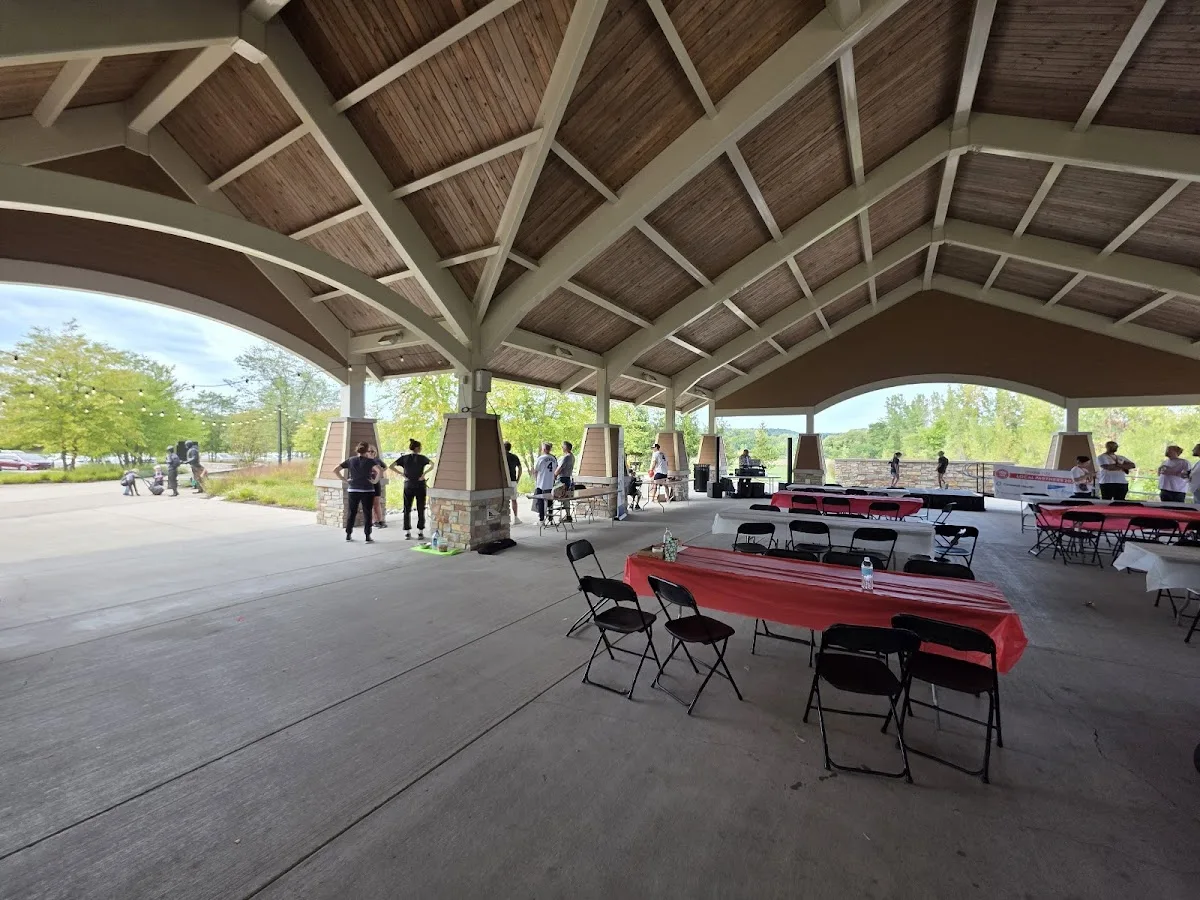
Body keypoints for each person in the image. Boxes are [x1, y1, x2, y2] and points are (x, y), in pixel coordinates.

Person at [335, 441, 380, 543]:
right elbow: (379, 471)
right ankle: (367, 536)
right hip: (368, 490)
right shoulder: (370, 461)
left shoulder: (350, 460)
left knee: (352, 512)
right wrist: (375, 481)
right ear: (367, 451)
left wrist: (345, 480)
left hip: (353, 489)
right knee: (367, 513)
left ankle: (348, 534)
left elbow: (336, 470)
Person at [390, 439, 432, 540]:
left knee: (407, 508)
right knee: (420, 508)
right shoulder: (422, 458)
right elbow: (433, 464)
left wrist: (402, 474)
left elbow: (391, 466)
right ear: (417, 448)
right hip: (420, 485)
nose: (421, 449)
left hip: (408, 484)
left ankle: (407, 531)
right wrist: (424, 474)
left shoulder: (404, 458)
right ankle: (420, 531)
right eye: (420, 447)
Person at [532, 441, 557, 524]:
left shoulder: (540, 458)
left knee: (540, 500)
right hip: (550, 483)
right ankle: (550, 519)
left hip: (541, 483)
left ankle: (541, 519)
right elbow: (555, 470)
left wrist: (536, 480)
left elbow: (535, 470)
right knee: (550, 501)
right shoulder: (553, 459)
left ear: (544, 449)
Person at [368, 445, 387, 528]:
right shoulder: (365, 461)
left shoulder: (377, 460)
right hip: (368, 483)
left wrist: (380, 472)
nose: (372, 453)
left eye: (373, 451)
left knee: (377, 502)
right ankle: (374, 521)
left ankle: (380, 520)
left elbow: (385, 466)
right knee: (370, 503)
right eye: (370, 451)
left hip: (377, 483)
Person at [504, 441, 523, 525]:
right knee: (514, 500)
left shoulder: (502, 456)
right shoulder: (514, 457)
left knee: (504, 500)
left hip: (504, 482)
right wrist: (518, 479)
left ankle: (504, 519)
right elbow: (520, 468)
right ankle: (516, 518)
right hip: (513, 481)